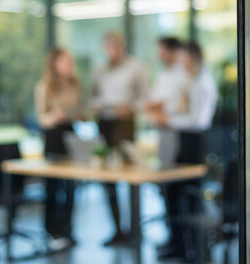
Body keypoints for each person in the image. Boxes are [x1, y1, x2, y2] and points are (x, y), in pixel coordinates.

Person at [148, 41, 218, 262]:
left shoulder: (202, 82)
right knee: (174, 194)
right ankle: (179, 245)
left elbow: (197, 120)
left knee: (190, 197)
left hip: (194, 143)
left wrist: (168, 119)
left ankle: (195, 250)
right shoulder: (192, 80)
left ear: (192, 58)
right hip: (184, 141)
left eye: (183, 59)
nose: (180, 63)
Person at [90, 32, 149, 246]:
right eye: (109, 47)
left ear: (122, 46)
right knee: (108, 176)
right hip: (104, 123)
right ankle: (117, 229)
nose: (112, 51)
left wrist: (131, 108)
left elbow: (144, 97)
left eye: (116, 46)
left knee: (131, 173)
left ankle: (135, 230)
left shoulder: (135, 67)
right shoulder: (99, 69)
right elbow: (92, 95)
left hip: (125, 123)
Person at [35, 48, 81, 250]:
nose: (69, 66)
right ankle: (52, 231)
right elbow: (41, 119)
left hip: (70, 134)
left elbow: (80, 108)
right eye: (65, 62)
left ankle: (67, 229)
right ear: (55, 64)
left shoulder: (74, 85)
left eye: (70, 62)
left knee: (71, 187)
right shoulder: (45, 86)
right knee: (53, 187)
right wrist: (55, 116)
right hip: (53, 136)